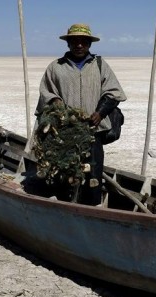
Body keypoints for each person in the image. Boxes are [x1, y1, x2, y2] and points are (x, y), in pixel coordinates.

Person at [35, 23, 127, 205]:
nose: (79, 45)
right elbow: (46, 93)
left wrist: (100, 113)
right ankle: (64, 206)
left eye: (83, 42)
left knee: (93, 174)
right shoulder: (56, 67)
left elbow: (114, 92)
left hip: (94, 132)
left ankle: (92, 208)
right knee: (64, 173)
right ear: (68, 43)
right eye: (74, 41)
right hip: (64, 134)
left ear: (89, 44)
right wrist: (56, 102)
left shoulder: (100, 65)